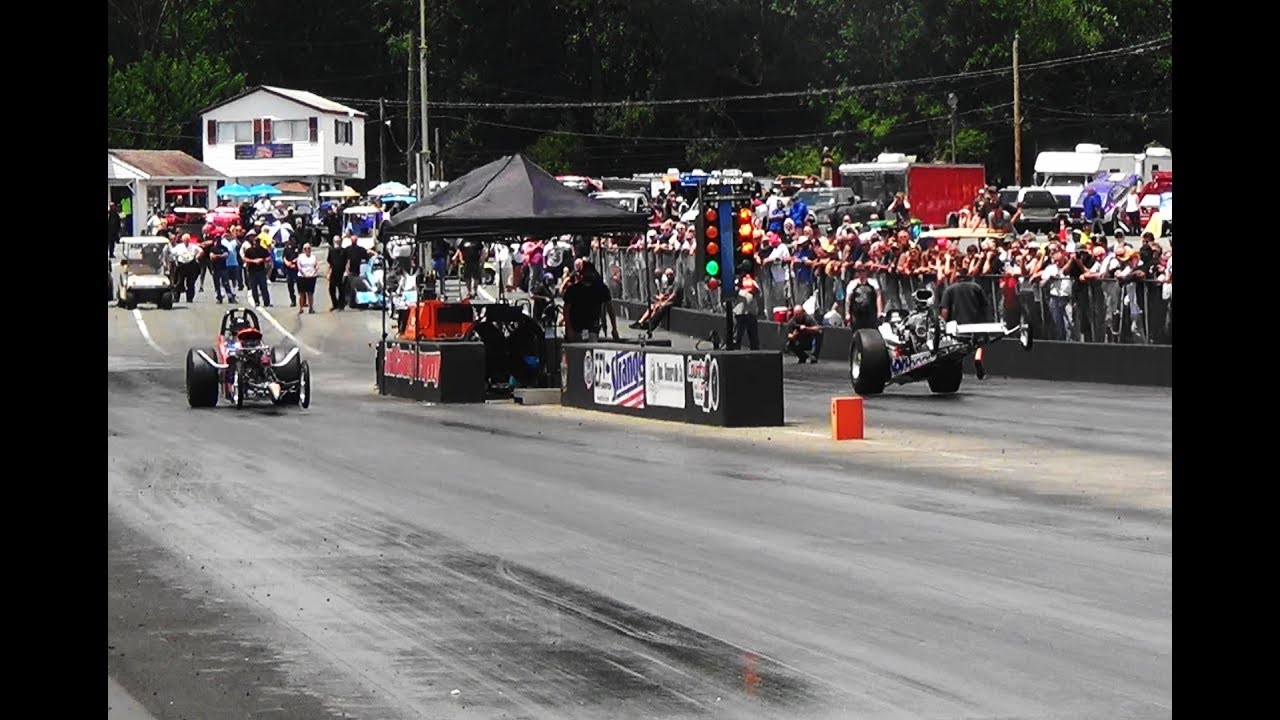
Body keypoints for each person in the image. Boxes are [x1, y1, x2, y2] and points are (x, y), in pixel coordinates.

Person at [938, 279, 992, 379]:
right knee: (979, 344)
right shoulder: (976, 287)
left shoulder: (949, 290)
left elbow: (945, 310)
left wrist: (942, 325)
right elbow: (985, 306)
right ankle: (977, 358)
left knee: (957, 348)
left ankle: (957, 369)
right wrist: (987, 321)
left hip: (958, 327)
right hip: (976, 324)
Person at [562, 261, 619, 342]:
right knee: (576, 350)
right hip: (576, 328)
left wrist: (614, 329)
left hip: (592, 328)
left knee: (591, 348)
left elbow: (610, 308)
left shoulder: (601, 289)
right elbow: (566, 309)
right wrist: (569, 328)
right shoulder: (573, 290)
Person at [631, 267, 684, 336]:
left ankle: (650, 322)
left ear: (673, 274)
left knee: (659, 306)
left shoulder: (676, 283)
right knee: (652, 306)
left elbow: (673, 296)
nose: (668, 276)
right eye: (667, 275)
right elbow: (664, 293)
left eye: (670, 275)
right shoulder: (667, 283)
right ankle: (640, 321)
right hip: (666, 300)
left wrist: (665, 301)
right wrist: (660, 297)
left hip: (674, 302)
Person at [844, 262, 882, 330]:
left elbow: (878, 297)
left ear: (866, 272)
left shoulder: (873, 283)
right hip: (857, 314)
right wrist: (847, 313)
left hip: (871, 313)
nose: (861, 273)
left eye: (863, 271)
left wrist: (879, 311)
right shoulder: (852, 284)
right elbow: (848, 300)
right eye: (859, 271)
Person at [732, 260, 760, 350]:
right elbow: (732, 294)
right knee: (737, 336)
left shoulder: (753, 282)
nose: (743, 273)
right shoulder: (737, 282)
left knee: (753, 337)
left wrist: (751, 287)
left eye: (744, 271)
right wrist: (739, 285)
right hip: (739, 312)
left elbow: (759, 294)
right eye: (742, 271)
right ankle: (735, 352)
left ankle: (755, 354)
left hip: (751, 313)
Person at [243, 235, 273, 306]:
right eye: (255, 242)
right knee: (254, 287)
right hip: (252, 271)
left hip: (261, 270)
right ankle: (256, 301)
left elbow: (269, 257)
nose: (256, 243)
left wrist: (262, 260)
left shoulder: (263, 250)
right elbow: (245, 258)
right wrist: (253, 261)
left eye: (258, 242)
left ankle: (266, 302)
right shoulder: (249, 250)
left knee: (264, 287)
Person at [295, 243, 319, 314]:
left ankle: (311, 308)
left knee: (310, 293)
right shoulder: (301, 256)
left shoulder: (313, 257)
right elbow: (299, 265)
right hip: (302, 277)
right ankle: (301, 308)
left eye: (308, 248)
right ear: (303, 250)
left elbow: (316, 265)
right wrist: (303, 273)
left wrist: (314, 272)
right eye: (305, 249)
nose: (307, 250)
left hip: (311, 276)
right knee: (301, 293)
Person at [326, 236, 348, 310]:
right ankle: (334, 304)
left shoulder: (344, 251)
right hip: (333, 273)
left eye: (338, 241)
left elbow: (348, 262)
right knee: (331, 289)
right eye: (335, 241)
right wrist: (328, 273)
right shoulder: (331, 250)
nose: (337, 242)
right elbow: (329, 262)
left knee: (341, 289)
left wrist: (346, 272)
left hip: (341, 273)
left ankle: (341, 305)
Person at [281, 238, 300, 307]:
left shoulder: (298, 248)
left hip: (296, 269)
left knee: (300, 285)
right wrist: (288, 263)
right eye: (291, 240)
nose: (293, 241)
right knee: (290, 285)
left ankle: (303, 300)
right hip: (289, 269)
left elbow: (300, 256)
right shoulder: (286, 249)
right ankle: (293, 300)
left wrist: (293, 262)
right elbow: (284, 258)